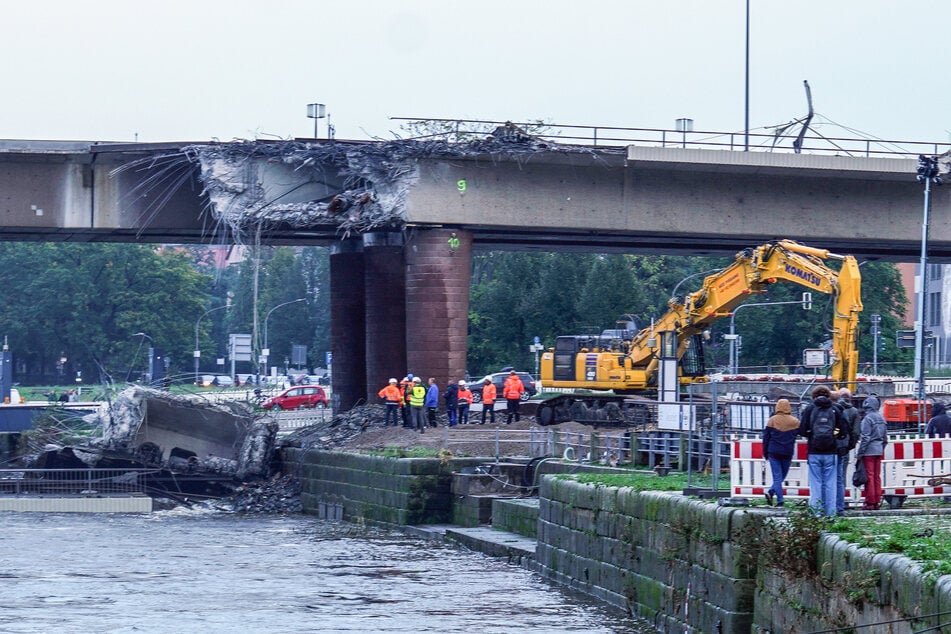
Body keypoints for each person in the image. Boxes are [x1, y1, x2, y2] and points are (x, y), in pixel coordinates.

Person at [798, 385, 849, 517]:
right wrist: (834, 435)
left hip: (814, 452)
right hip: (831, 452)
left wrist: (811, 434)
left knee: (816, 483)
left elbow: (802, 430)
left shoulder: (809, 409)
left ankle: (816, 513)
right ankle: (830, 513)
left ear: (814, 396)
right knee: (830, 483)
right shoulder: (835, 409)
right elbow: (843, 431)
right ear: (829, 395)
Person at [762, 398, 799, 507]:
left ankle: (775, 496)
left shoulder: (772, 420)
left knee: (777, 477)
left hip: (773, 451)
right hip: (787, 452)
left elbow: (766, 438)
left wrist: (765, 453)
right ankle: (777, 497)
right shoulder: (795, 421)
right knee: (782, 476)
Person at [856, 395, 888, 510]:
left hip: (869, 451)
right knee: (876, 476)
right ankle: (876, 501)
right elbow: (885, 439)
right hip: (879, 450)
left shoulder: (867, 419)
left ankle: (869, 501)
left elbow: (865, 437)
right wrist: (881, 448)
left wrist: (860, 452)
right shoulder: (882, 419)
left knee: (869, 476)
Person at [836, 388, 862, 513]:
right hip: (844, 447)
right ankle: (841, 502)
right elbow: (856, 432)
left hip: (829, 448)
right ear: (850, 398)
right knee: (841, 476)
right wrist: (849, 445)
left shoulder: (832, 408)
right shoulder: (853, 411)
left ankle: (827, 501)